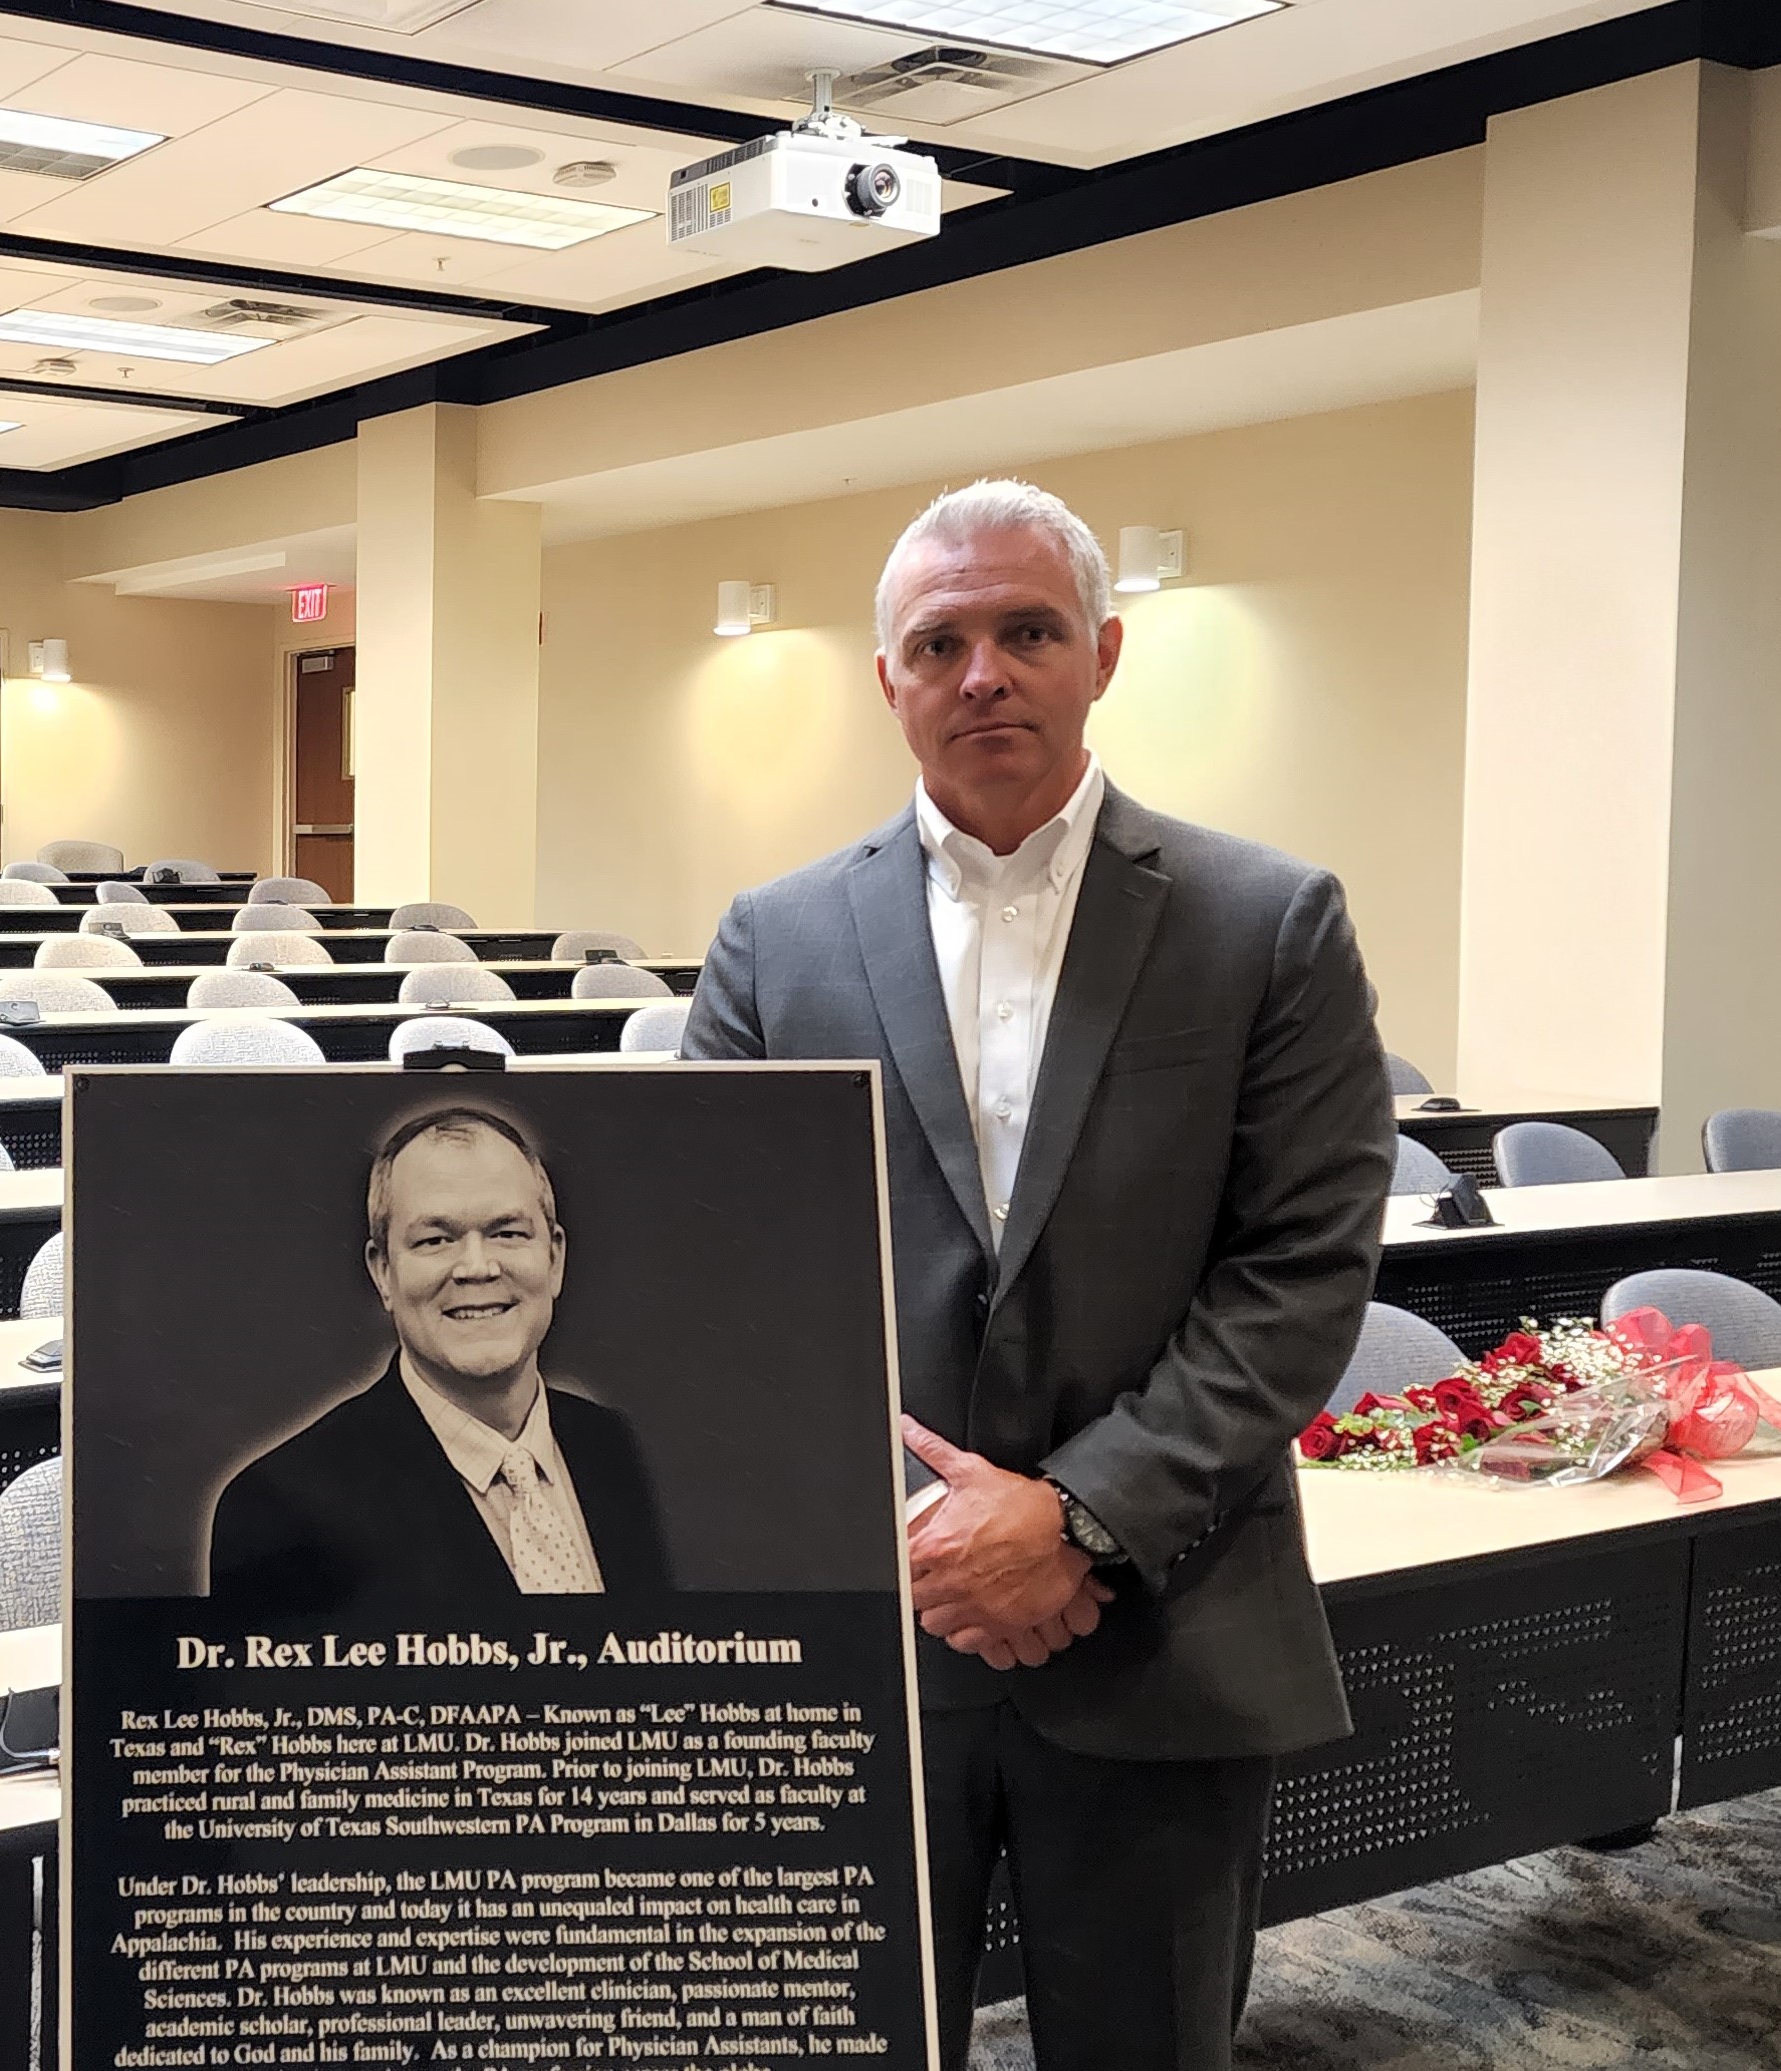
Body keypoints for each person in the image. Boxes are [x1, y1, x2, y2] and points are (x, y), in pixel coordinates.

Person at [683, 480, 1393, 2069]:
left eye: (1026, 630)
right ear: (888, 680)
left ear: (1102, 652)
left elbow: (1298, 1268)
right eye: (938, 641)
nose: (981, 670)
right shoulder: (772, 940)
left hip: (1158, 1618)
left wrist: (1070, 1516)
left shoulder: (1263, 920)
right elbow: (721, 1287)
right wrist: (932, 1535)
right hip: (856, 1623)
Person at [208, 1104, 669, 1615]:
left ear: (554, 1259)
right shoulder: (278, 1508)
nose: (476, 1267)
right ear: (383, 1272)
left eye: (507, 1232)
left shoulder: (611, 1446)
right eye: (435, 1240)